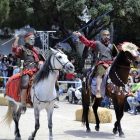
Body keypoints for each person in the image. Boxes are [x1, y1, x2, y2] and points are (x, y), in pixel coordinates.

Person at [73, 30, 117, 98]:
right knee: (100, 73)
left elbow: (115, 55)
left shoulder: (112, 46)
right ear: (102, 36)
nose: (106, 36)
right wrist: (80, 36)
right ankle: (98, 91)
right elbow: (87, 43)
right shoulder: (97, 43)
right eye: (104, 35)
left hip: (111, 63)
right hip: (101, 63)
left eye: (107, 35)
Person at [12, 33, 44, 114]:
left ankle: (51, 100)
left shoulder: (36, 49)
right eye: (31, 39)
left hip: (38, 69)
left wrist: (41, 62)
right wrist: (16, 39)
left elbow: (41, 59)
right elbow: (14, 50)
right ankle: (23, 104)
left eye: (33, 39)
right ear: (26, 40)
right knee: (25, 84)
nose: (33, 41)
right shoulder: (22, 48)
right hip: (27, 70)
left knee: (49, 78)